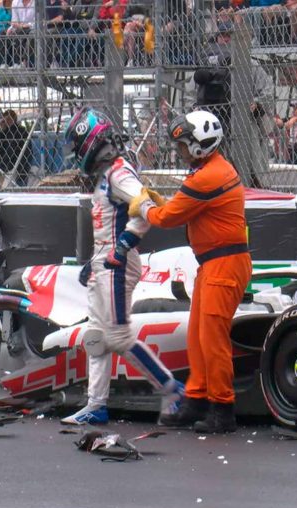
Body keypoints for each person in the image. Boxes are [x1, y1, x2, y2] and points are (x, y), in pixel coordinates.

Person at [59, 106, 184, 425]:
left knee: (117, 337)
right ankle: (96, 405)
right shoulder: (109, 174)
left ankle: (172, 390)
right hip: (105, 262)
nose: (77, 154)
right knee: (96, 336)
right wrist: (94, 261)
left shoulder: (119, 173)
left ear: (90, 140)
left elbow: (146, 206)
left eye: (78, 146)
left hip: (117, 264)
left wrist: (123, 245)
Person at [130, 110, 252, 433]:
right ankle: (196, 399)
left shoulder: (208, 176)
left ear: (201, 144)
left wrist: (145, 206)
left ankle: (222, 410)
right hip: (216, 264)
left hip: (223, 265)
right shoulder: (213, 170)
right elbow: (181, 208)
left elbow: (167, 217)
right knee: (199, 336)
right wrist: (161, 204)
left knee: (212, 339)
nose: (181, 151)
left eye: (184, 145)